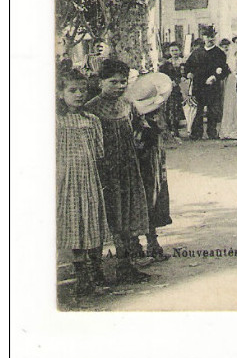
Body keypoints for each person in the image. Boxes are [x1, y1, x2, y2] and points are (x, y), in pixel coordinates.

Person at [84, 59, 151, 284]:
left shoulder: (127, 104)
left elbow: (140, 128)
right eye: (113, 82)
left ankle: (125, 264)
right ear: (101, 82)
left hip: (127, 168)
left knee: (127, 214)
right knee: (105, 217)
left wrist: (143, 136)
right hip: (103, 171)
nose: (120, 86)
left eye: (123, 82)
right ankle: (94, 271)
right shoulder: (91, 108)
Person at [57, 69, 111, 297]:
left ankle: (95, 272)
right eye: (72, 90)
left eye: (83, 90)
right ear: (60, 93)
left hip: (88, 180)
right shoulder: (56, 121)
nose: (79, 95)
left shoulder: (92, 121)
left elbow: (99, 154)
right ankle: (82, 277)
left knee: (91, 223)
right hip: (65, 181)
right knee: (74, 225)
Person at [124, 71, 174, 263]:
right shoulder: (138, 121)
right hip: (142, 164)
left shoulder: (152, 117)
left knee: (151, 199)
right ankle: (140, 243)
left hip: (152, 163)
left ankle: (150, 242)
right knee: (143, 200)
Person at [184, 25, 229, 140]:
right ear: (203, 37)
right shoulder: (197, 52)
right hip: (198, 85)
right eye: (207, 37)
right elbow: (188, 66)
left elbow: (224, 69)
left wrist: (215, 77)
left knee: (213, 110)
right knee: (197, 109)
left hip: (212, 85)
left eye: (212, 37)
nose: (210, 39)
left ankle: (212, 132)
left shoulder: (219, 53)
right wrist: (188, 73)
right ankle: (196, 132)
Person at [219, 34, 237, 141]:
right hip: (232, 80)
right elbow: (228, 67)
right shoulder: (232, 55)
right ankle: (230, 130)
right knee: (231, 105)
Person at [158, 42, 186, 138]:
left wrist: (179, 81)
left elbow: (185, 75)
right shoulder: (166, 64)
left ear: (180, 51)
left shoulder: (184, 63)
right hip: (169, 89)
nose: (174, 52)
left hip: (180, 88)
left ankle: (178, 128)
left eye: (176, 50)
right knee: (170, 108)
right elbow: (162, 75)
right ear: (169, 52)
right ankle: (171, 129)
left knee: (179, 108)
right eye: (172, 50)